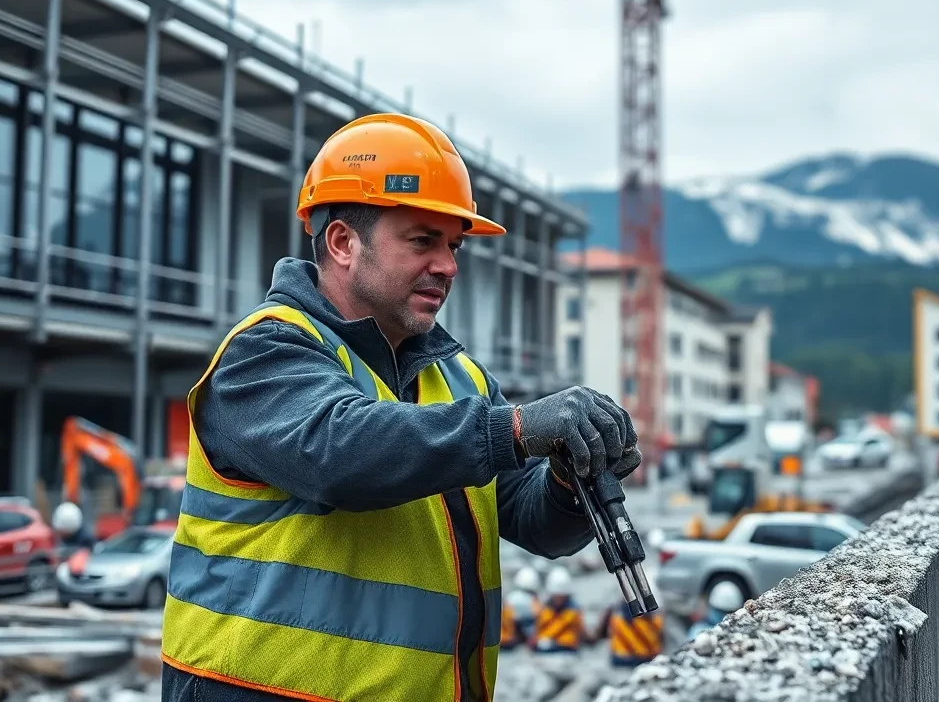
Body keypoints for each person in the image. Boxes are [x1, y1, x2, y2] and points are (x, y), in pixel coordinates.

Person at [160, 113, 641, 702]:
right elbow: (339, 454)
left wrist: (569, 478)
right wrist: (515, 428)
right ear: (342, 242)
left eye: (453, 245)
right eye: (422, 240)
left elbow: (532, 521)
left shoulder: (459, 380)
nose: (448, 265)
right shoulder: (265, 351)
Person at [594, 595, 665, 668]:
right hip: (646, 660)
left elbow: (600, 633)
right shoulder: (657, 611)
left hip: (622, 660)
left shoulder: (615, 608)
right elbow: (662, 637)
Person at [531, 567, 584, 654]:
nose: (558, 598)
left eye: (561, 596)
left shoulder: (574, 611)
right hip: (545, 647)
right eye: (556, 595)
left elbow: (580, 632)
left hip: (567, 648)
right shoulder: (545, 609)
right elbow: (538, 629)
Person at [501, 566, 543, 648]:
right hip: (526, 634)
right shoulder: (534, 600)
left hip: (509, 635)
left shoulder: (510, 597)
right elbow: (537, 615)